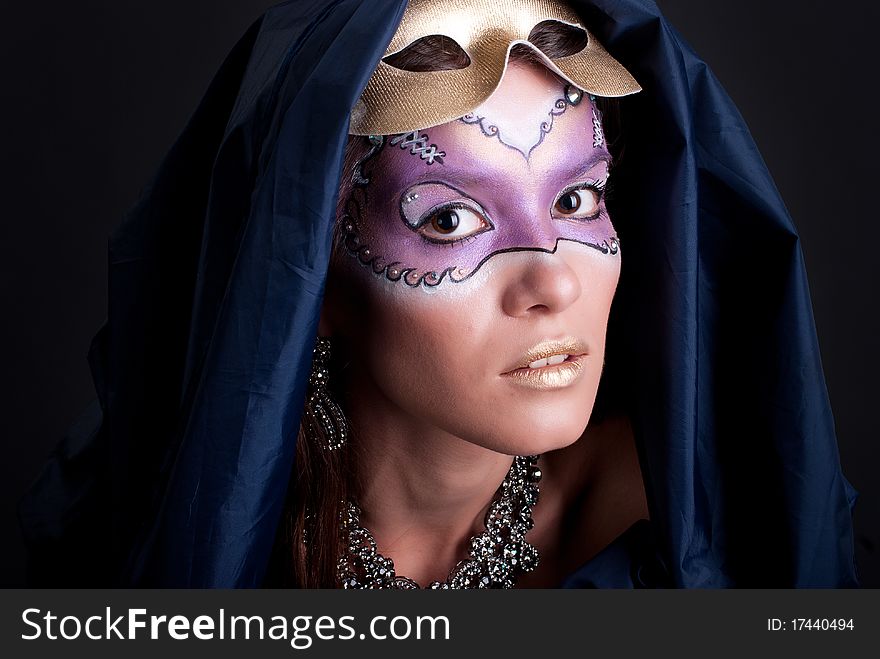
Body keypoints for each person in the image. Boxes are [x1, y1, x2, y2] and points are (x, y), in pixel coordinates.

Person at [19, 0, 859, 588]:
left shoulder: (686, 539)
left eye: (577, 200)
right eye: (451, 217)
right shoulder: (155, 530)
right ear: (311, 275)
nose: (553, 280)